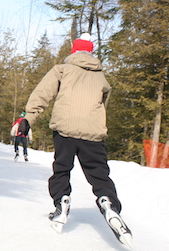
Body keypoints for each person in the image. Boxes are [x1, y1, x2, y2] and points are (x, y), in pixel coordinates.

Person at [23, 33, 126, 232]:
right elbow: (103, 105)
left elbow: (42, 94)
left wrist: (29, 118)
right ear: (91, 52)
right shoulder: (101, 77)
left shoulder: (62, 70)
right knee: (99, 173)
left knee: (62, 169)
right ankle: (109, 202)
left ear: (73, 51)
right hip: (93, 133)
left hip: (65, 129)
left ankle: (61, 200)